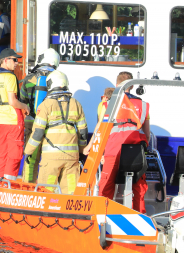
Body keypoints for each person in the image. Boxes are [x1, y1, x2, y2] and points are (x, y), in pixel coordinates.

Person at [24, 70, 88, 194]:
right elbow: (83, 132)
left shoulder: (45, 105)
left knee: (46, 192)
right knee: (71, 195)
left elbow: (37, 133)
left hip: (51, 158)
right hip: (71, 158)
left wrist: (28, 151)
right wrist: (81, 151)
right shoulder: (76, 104)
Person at [98, 71, 150, 212]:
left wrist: (100, 153)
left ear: (117, 84)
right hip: (135, 151)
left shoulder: (107, 103)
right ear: (131, 86)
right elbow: (147, 132)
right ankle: (139, 217)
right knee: (138, 187)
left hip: (113, 150)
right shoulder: (143, 105)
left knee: (106, 185)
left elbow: (101, 130)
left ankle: (104, 215)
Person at [18, 47, 60, 183]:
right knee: (48, 159)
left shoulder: (29, 78)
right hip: (50, 125)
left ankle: (28, 185)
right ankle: (45, 189)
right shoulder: (57, 78)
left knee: (31, 156)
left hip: (31, 122)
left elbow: (22, 100)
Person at [0, 48, 29, 179]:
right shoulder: (11, 77)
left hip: (1, 120)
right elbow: (13, 101)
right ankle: (8, 185)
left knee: (1, 153)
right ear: (5, 60)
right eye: (14, 60)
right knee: (15, 153)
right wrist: (25, 106)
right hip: (13, 119)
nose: (17, 63)